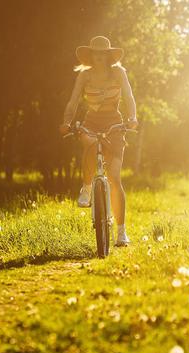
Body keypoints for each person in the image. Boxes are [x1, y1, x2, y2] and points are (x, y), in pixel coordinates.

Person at [59, 36, 138, 247]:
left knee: (114, 177)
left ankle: (121, 232)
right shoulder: (85, 76)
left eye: (103, 53)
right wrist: (67, 122)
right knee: (90, 143)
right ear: (91, 56)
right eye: (96, 53)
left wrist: (132, 118)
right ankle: (86, 187)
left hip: (114, 122)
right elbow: (73, 100)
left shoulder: (118, 73)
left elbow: (129, 97)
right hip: (91, 121)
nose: (99, 56)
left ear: (109, 55)